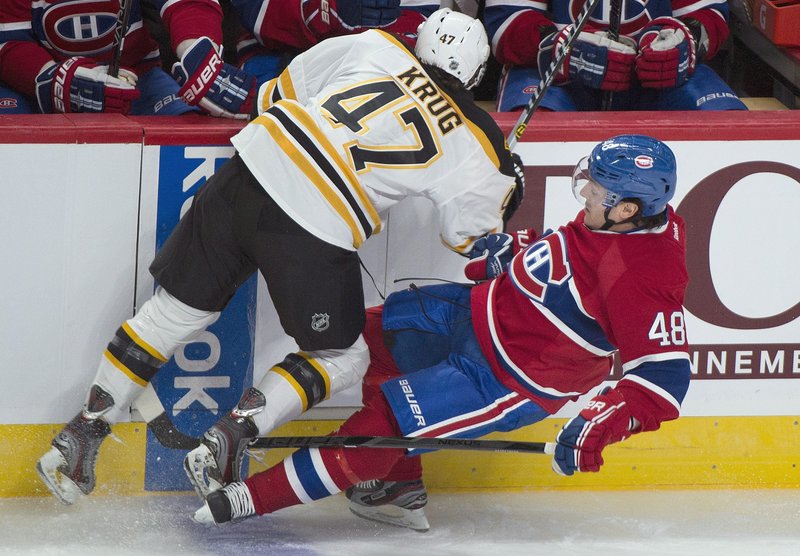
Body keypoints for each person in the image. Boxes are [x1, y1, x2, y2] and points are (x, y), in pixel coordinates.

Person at [35, 9, 524, 506]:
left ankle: (79, 438)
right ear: (476, 72)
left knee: (173, 313)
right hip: (315, 218)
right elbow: (468, 238)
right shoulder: (477, 136)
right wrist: (509, 186)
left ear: (419, 44)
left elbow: (280, 91)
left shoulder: (376, 44)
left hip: (252, 166)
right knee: (343, 356)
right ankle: (229, 437)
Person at [191, 134, 692, 533]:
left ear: (628, 209)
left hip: (502, 376)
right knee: (358, 338)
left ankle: (247, 500)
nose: (585, 192)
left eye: (598, 190)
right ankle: (394, 490)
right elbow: (574, 261)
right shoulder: (617, 222)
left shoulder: (645, 274)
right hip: (472, 315)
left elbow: (665, 378)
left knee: (380, 426)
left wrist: (600, 424)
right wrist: (514, 253)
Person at [0, 0, 255, 117]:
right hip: (34, 85)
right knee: (11, 135)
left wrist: (199, 50)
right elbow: (7, 41)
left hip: (136, 79)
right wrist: (56, 80)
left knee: (187, 127)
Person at [483, 0, 748, 112]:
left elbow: (707, 13)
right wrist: (563, 49)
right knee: (534, 127)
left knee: (726, 119)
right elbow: (506, 21)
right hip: (557, 77)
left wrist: (685, 40)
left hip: (659, 80)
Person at [228, 0, 438, 86]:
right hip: (278, 60)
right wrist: (321, 10)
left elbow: (415, 26)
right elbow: (256, 7)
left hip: (379, 69)